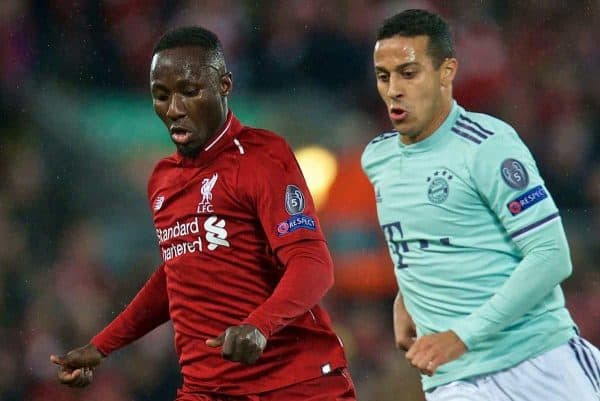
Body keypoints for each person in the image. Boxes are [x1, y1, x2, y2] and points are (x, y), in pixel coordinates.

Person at [50, 26, 356, 401]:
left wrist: (259, 326)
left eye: (189, 92)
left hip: (294, 385)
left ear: (224, 85)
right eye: (161, 96)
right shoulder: (163, 180)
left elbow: (313, 262)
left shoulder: (263, 158)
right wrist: (102, 346)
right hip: (207, 389)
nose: (174, 109)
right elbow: (177, 275)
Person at [362, 9, 600, 401]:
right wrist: (405, 298)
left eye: (409, 73)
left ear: (446, 72)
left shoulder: (487, 145)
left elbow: (552, 255)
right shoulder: (378, 159)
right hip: (454, 381)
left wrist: (461, 337)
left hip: (538, 361)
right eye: (383, 76)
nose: (393, 90)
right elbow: (427, 237)